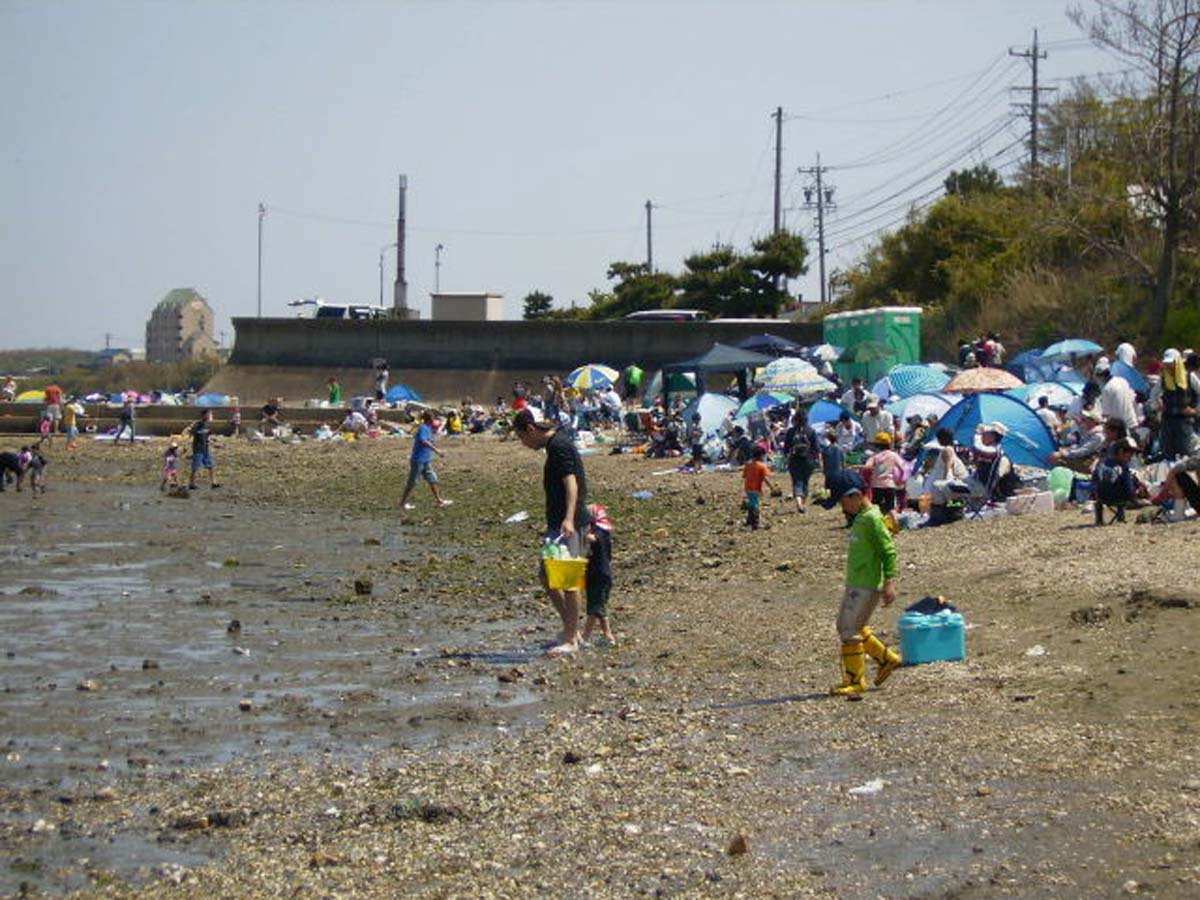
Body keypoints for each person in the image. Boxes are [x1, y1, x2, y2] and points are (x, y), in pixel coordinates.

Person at [513, 407, 590, 657]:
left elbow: (572, 483)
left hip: (569, 524)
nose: (523, 444)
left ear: (531, 429)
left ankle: (571, 638)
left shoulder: (559, 446)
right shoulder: (556, 444)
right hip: (560, 523)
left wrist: (568, 519)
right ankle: (572, 629)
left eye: (521, 437)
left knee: (568, 582)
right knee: (547, 577)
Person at [831, 484, 901, 697]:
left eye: (844, 503)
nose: (843, 508)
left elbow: (888, 549)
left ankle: (855, 680)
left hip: (867, 583)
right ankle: (886, 658)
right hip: (858, 581)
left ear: (856, 496)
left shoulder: (871, 518)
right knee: (854, 626)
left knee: (847, 628)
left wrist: (890, 581)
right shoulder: (863, 518)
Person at [399, 410, 451, 510]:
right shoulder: (423, 428)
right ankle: (402, 503)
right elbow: (423, 441)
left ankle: (439, 500)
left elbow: (429, 439)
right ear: (430, 419)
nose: (434, 420)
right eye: (432, 418)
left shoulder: (429, 429)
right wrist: (437, 451)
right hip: (418, 460)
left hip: (426, 459)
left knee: (432, 480)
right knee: (412, 482)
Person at [581, 503, 616, 647]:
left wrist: (579, 533)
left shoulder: (601, 532)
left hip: (601, 574)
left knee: (594, 608)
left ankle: (585, 637)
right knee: (598, 607)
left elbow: (592, 539)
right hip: (594, 573)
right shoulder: (598, 530)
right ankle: (608, 636)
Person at [925, 427, 969, 526]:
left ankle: (941, 517)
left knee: (942, 499)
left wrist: (945, 481)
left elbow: (947, 466)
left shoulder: (947, 450)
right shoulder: (950, 449)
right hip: (946, 478)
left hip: (944, 479)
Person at [782, 408, 819, 513]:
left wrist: (785, 459)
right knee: (805, 481)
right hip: (808, 460)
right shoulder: (811, 431)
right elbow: (816, 448)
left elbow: (786, 449)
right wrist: (818, 461)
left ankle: (798, 503)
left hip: (794, 460)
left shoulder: (790, 431)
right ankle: (803, 504)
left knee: (797, 481)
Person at [1049, 407, 1106, 473]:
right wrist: (1065, 450)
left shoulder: (1097, 436)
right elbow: (1079, 446)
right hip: (1082, 457)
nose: (1084, 420)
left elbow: (1083, 451)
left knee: (1057, 461)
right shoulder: (1090, 432)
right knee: (1055, 454)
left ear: (1093, 421)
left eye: (1086, 419)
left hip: (1087, 462)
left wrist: (1064, 454)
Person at [861, 432, 905, 513]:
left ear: (877, 445)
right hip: (889, 485)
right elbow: (903, 469)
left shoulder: (874, 456)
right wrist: (900, 480)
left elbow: (867, 467)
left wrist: (856, 467)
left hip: (877, 485)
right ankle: (894, 524)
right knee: (891, 509)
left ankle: (877, 524)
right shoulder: (893, 455)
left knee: (876, 508)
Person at [184, 409, 220, 489]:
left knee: (211, 466)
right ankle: (191, 483)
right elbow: (189, 434)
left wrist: (214, 443)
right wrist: (186, 448)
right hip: (198, 449)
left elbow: (208, 437)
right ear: (204, 415)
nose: (211, 416)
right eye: (210, 414)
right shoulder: (197, 425)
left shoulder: (207, 426)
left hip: (206, 449)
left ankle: (213, 482)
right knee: (196, 466)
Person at [741, 445, 776, 530]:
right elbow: (765, 478)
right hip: (755, 488)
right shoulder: (761, 466)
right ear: (761, 456)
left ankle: (749, 521)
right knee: (755, 505)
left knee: (751, 504)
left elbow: (744, 476)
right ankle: (756, 523)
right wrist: (772, 487)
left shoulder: (748, 465)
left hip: (748, 487)